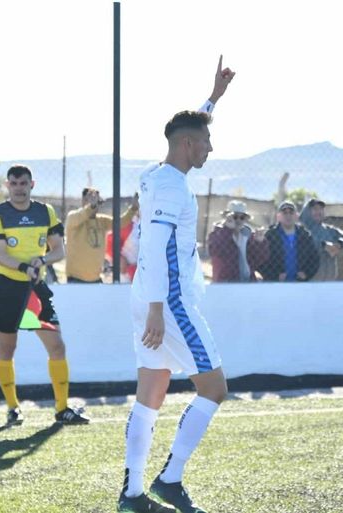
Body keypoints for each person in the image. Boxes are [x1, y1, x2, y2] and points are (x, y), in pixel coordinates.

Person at [118, 55, 234, 513]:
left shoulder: (155, 174)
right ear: (187, 144)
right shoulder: (172, 188)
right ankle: (171, 478)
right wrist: (156, 309)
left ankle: (132, 494)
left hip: (151, 300)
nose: (210, 147)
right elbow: (151, 250)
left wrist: (213, 99)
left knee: (150, 394)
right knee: (214, 389)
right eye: (206, 140)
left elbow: (186, 128)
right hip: (169, 304)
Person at [0, 165, 89, 427]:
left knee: (57, 346)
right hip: (8, 289)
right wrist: (25, 267)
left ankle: (62, 409)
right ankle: (12, 408)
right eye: (14, 183)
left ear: (33, 184)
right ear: (7, 186)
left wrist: (41, 260)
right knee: (7, 350)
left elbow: (59, 251)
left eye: (23, 183)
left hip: (35, 290)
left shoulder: (46, 212)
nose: (19, 188)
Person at [64, 189, 138, 283]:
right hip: (75, 280)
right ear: (83, 201)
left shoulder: (102, 221)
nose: (94, 203)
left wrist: (134, 208)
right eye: (90, 199)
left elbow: (120, 223)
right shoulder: (73, 217)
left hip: (96, 280)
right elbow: (83, 213)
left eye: (97, 201)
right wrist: (92, 206)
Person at [257, 201, 319, 282]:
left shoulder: (305, 235)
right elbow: (261, 260)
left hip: (299, 283)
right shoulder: (270, 236)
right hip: (277, 284)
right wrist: (274, 276)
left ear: (296, 216)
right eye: (285, 213)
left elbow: (315, 259)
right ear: (278, 216)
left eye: (291, 212)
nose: (288, 216)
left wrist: (306, 273)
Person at [207, 200, 268, 282]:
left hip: (247, 282)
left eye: (242, 217)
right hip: (225, 282)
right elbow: (216, 251)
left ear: (245, 220)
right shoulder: (217, 233)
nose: (238, 220)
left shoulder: (248, 235)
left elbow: (259, 259)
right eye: (235, 217)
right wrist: (227, 230)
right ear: (227, 218)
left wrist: (259, 243)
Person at [298, 198, 343, 281]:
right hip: (308, 281)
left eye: (321, 209)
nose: (319, 212)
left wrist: (340, 243)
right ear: (307, 212)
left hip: (329, 281)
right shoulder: (301, 229)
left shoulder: (329, 230)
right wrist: (323, 245)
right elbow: (304, 242)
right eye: (315, 209)